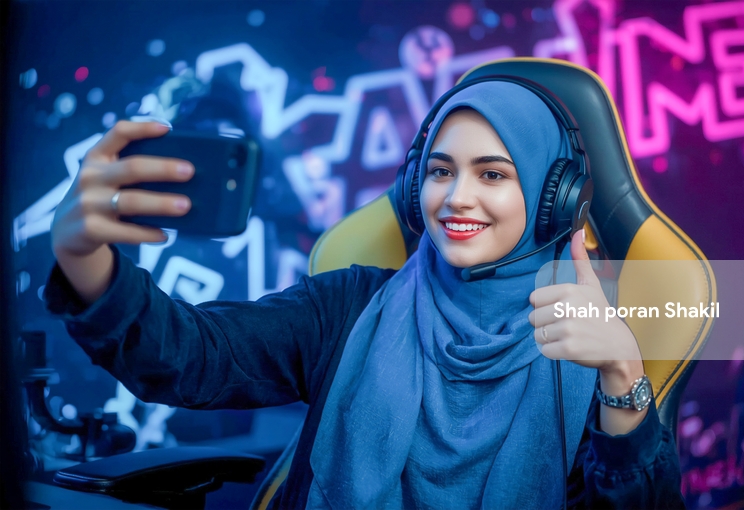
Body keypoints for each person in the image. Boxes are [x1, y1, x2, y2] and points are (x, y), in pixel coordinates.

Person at [46, 80, 684, 508]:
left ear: (555, 199)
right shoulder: (347, 308)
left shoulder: (591, 336)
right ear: (413, 189)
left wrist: (620, 374)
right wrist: (86, 262)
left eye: (493, 174)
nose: (456, 197)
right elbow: (194, 356)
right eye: (440, 171)